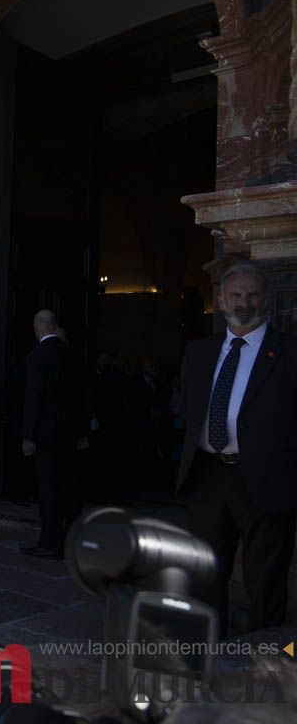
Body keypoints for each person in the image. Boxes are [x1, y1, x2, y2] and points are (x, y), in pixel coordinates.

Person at [177, 262, 297, 634]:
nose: (244, 302)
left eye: (252, 294)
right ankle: (208, 638)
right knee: (206, 567)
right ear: (221, 299)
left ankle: (265, 647)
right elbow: (189, 408)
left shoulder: (290, 353)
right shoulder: (199, 352)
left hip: (265, 476)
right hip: (208, 475)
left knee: (265, 572)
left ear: (265, 298)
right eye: (235, 295)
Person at [20, 309, 88, 559]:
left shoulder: (38, 355)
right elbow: (82, 397)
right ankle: (67, 541)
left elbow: (34, 397)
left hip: (46, 436)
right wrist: (82, 431)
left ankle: (48, 542)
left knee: (48, 490)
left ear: (38, 327)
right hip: (69, 435)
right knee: (67, 489)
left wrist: (28, 435)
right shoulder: (73, 354)